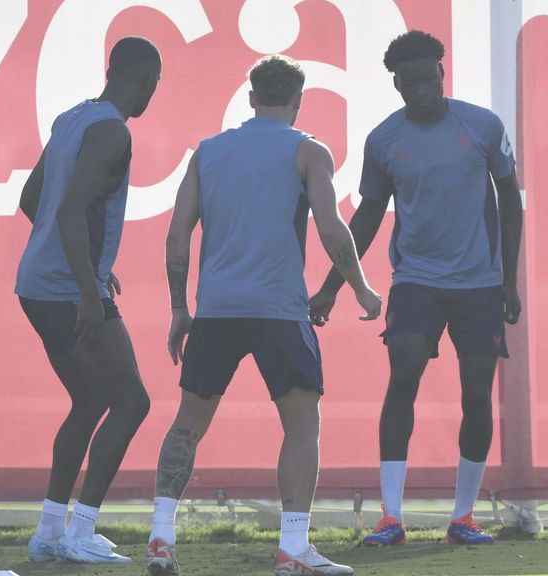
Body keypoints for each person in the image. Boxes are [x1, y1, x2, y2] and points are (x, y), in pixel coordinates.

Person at [145, 54, 380, 576]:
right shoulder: (308, 150)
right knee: (301, 426)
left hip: (218, 311)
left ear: (251, 98)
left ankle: (161, 536)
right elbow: (332, 229)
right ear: (298, 102)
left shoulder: (208, 153)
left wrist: (180, 308)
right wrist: (359, 290)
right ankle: (292, 549)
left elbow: (177, 237)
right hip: (278, 311)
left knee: (188, 423)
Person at [308, 30, 524, 547]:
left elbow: (510, 202)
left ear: (442, 75)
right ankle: (391, 518)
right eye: (412, 81)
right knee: (403, 374)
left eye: (431, 77)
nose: (424, 88)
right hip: (416, 280)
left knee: (477, 391)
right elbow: (366, 217)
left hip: (479, 283)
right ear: (397, 84)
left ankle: (463, 517)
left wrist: (509, 281)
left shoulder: (483, 126)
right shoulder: (384, 140)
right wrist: (331, 286)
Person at [16, 36, 161, 564]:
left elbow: (34, 200)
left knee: (92, 400)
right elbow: (70, 209)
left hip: (37, 283)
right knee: (131, 402)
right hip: (64, 289)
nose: (151, 95)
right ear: (144, 81)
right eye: (154, 85)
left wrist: (91, 263)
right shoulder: (113, 132)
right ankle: (80, 532)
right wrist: (85, 286)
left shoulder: (71, 118)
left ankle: (50, 533)